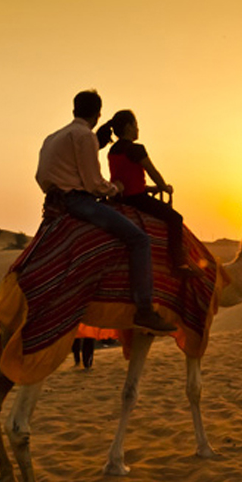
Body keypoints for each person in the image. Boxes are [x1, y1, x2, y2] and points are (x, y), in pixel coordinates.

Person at [35, 90, 175, 333]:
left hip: (53, 201)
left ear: (74, 110)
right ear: (98, 114)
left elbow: (42, 176)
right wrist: (114, 189)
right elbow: (93, 184)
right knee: (139, 240)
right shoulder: (84, 136)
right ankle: (144, 309)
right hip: (78, 202)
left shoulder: (53, 137)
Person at [99, 110, 194, 276]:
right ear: (129, 127)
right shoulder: (136, 149)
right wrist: (164, 187)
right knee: (175, 218)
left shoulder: (112, 150)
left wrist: (151, 189)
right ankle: (180, 264)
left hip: (119, 198)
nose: (138, 129)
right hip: (137, 199)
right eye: (136, 125)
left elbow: (126, 179)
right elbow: (153, 172)